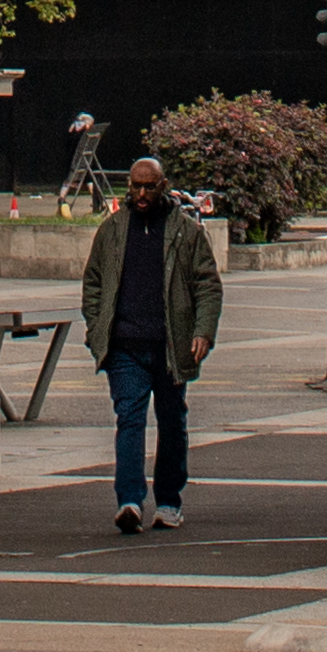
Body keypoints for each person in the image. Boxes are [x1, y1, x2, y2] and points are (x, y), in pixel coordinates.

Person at [79, 150, 222, 536]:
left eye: (149, 186)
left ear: (164, 186)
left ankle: (169, 502)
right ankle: (129, 500)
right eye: (136, 186)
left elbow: (208, 285)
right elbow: (93, 283)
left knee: (172, 422)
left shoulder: (186, 232)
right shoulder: (112, 230)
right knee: (130, 419)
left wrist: (203, 331)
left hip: (171, 344)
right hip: (125, 345)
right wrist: (96, 330)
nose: (141, 193)